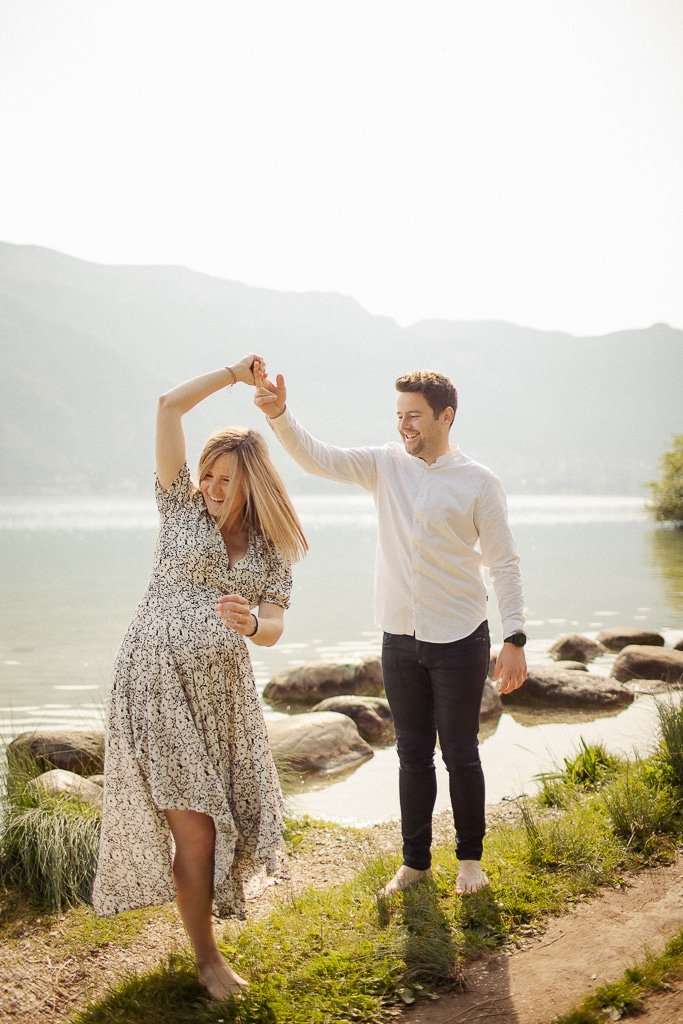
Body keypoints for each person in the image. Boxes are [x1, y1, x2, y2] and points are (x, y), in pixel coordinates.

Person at [253, 362, 527, 897]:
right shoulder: (383, 465)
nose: (405, 426)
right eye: (400, 415)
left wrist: (514, 638)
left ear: (446, 416)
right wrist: (280, 415)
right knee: (411, 754)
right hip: (399, 638)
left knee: (461, 752)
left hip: (459, 638)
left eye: (416, 416)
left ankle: (470, 862)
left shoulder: (478, 482)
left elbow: (504, 564)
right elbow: (318, 457)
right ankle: (416, 864)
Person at [92, 355, 307, 999]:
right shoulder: (178, 512)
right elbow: (166, 406)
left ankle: (202, 937)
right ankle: (207, 958)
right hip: (154, 683)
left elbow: (274, 626)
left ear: (253, 484)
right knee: (196, 824)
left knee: (218, 819)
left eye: (224, 478)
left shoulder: (270, 550)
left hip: (222, 699)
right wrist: (234, 376)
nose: (210, 486)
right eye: (206, 474)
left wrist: (248, 628)